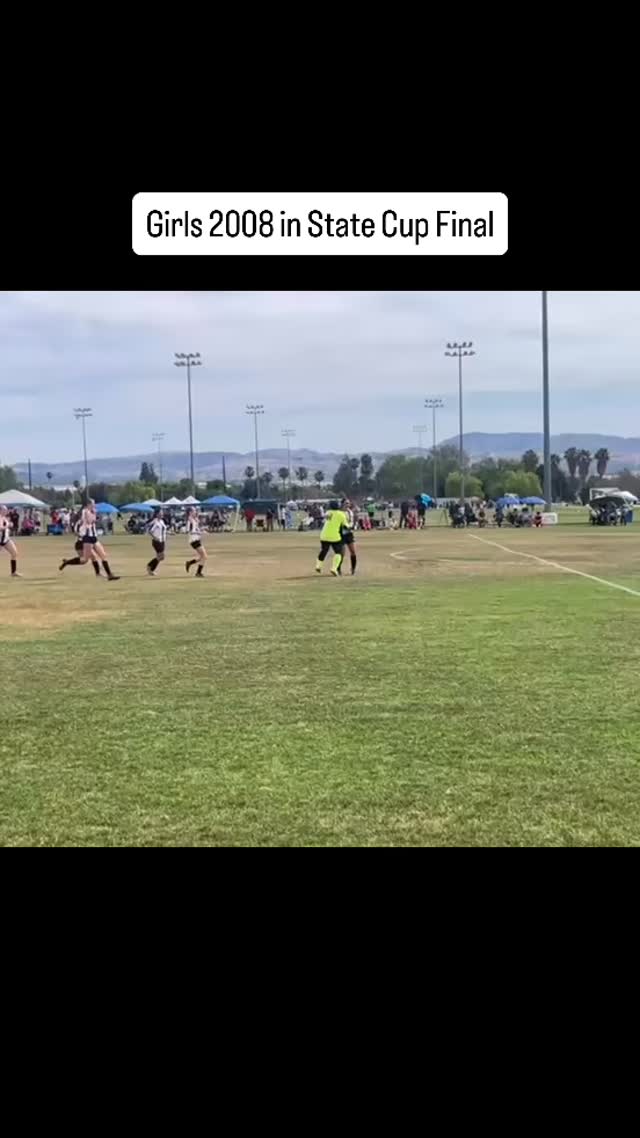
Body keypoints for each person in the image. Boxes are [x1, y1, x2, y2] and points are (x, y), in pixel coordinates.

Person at [77, 499, 119, 580]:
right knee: (85, 560)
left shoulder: (92, 511)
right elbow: (89, 521)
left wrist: (95, 516)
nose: (94, 505)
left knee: (103, 555)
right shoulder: (85, 511)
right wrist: (95, 516)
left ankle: (110, 575)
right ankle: (68, 562)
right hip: (87, 537)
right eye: (93, 504)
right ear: (88, 504)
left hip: (94, 537)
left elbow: (94, 520)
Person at [315, 500, 347, 577]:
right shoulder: (341, 514)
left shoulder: (328, 512)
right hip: (335, 536)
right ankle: (334, 568)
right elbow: (345, 525)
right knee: (339, 552)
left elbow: (327, 518)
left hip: (324, 535)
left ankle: (318, 566)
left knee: (324, 550)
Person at [185, 506, 207, 577]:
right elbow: (188, 531)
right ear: (190, 512)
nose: (196, 512)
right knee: (204, 556)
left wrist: (201, 530)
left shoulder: (194, 519)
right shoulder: (190, 520)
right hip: (194, 540)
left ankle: (189, 563)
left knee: (203, 556)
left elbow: (196, 529)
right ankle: (198, 573)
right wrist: (199, 533)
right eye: (194, 511)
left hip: (196, 539)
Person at [338, 499, 358, 576]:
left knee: (353, 551)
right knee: (342, 553)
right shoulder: (339, 513)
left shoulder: (350, 512)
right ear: (342, 504)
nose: (348, 504)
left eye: (348, 503)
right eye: (346, 503)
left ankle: (353, 568)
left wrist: (353, 526)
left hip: (349, 534)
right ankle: (338, 568)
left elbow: (352, 522)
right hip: (341, 534)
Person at [0, 505, 21, 577]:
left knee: (14, 553)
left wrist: (9, 525)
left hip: (6, 539)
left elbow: (6, 527)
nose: (6, 511)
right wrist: (8, 525)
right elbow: (1, 528)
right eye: (4, 510)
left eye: (6, 510)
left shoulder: (4, 518)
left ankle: (13, 572)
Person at [147, 509, 167, 576]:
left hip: (162, 541)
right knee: (161, 556)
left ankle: (151, 569)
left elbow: (163, 530)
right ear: (157, 514)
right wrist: (155, 538)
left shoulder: (162, 521)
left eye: (162, 513)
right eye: (161, 513)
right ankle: (149, 567)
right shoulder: (155, 522)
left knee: (160, 557)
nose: (162, 514)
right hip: (157, 541)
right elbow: (149, 531)